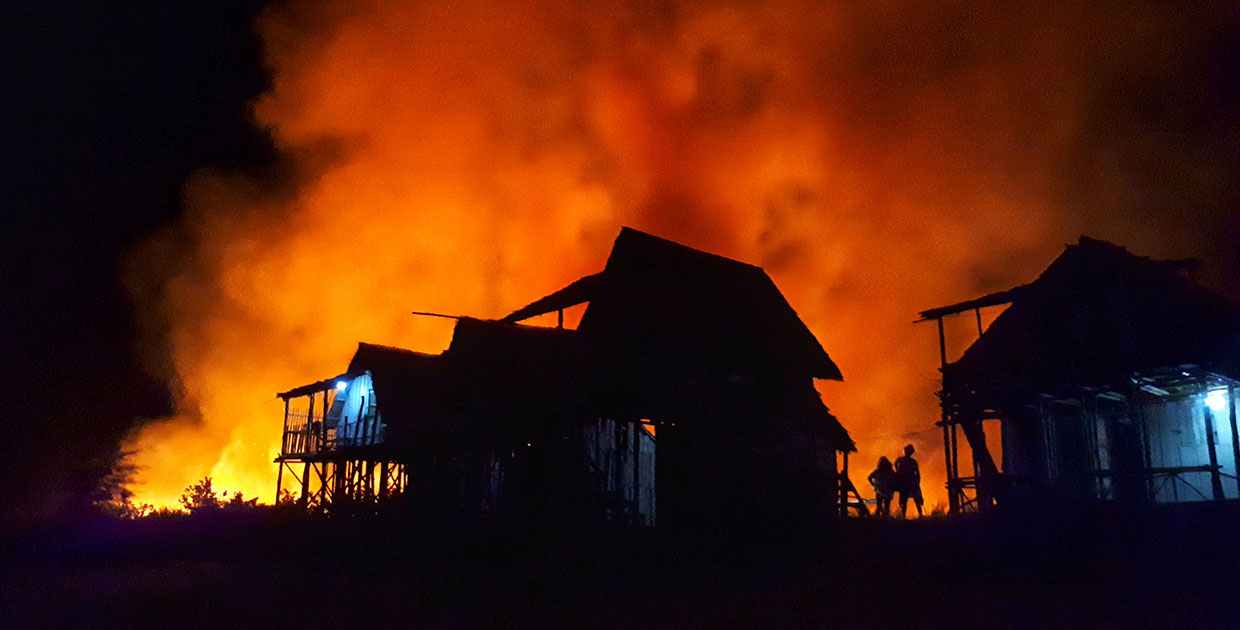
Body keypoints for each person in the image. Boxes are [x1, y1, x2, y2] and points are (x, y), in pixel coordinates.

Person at [894, 444, 924, 518]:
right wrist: (917, 481)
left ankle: (904, 516)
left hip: (906, 482)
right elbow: (917, 472)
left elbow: (895, 463)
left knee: (906, 500)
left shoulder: (901, 460)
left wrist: (898, 472)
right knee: (915, 499)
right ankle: (919, 515)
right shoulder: (912, 461)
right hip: (910, 482)